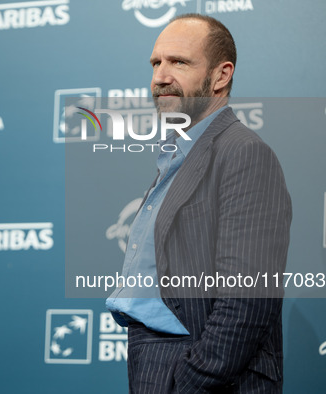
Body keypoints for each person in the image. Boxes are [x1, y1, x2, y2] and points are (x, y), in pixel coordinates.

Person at [105, 14, 292, 393]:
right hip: (154, 358)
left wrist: (191, 380)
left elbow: (249, 298)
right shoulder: (179, 155)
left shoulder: (244, 153)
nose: (160, 76)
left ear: (221, 76)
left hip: (201, 370)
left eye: (179, 62)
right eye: (156, 63)